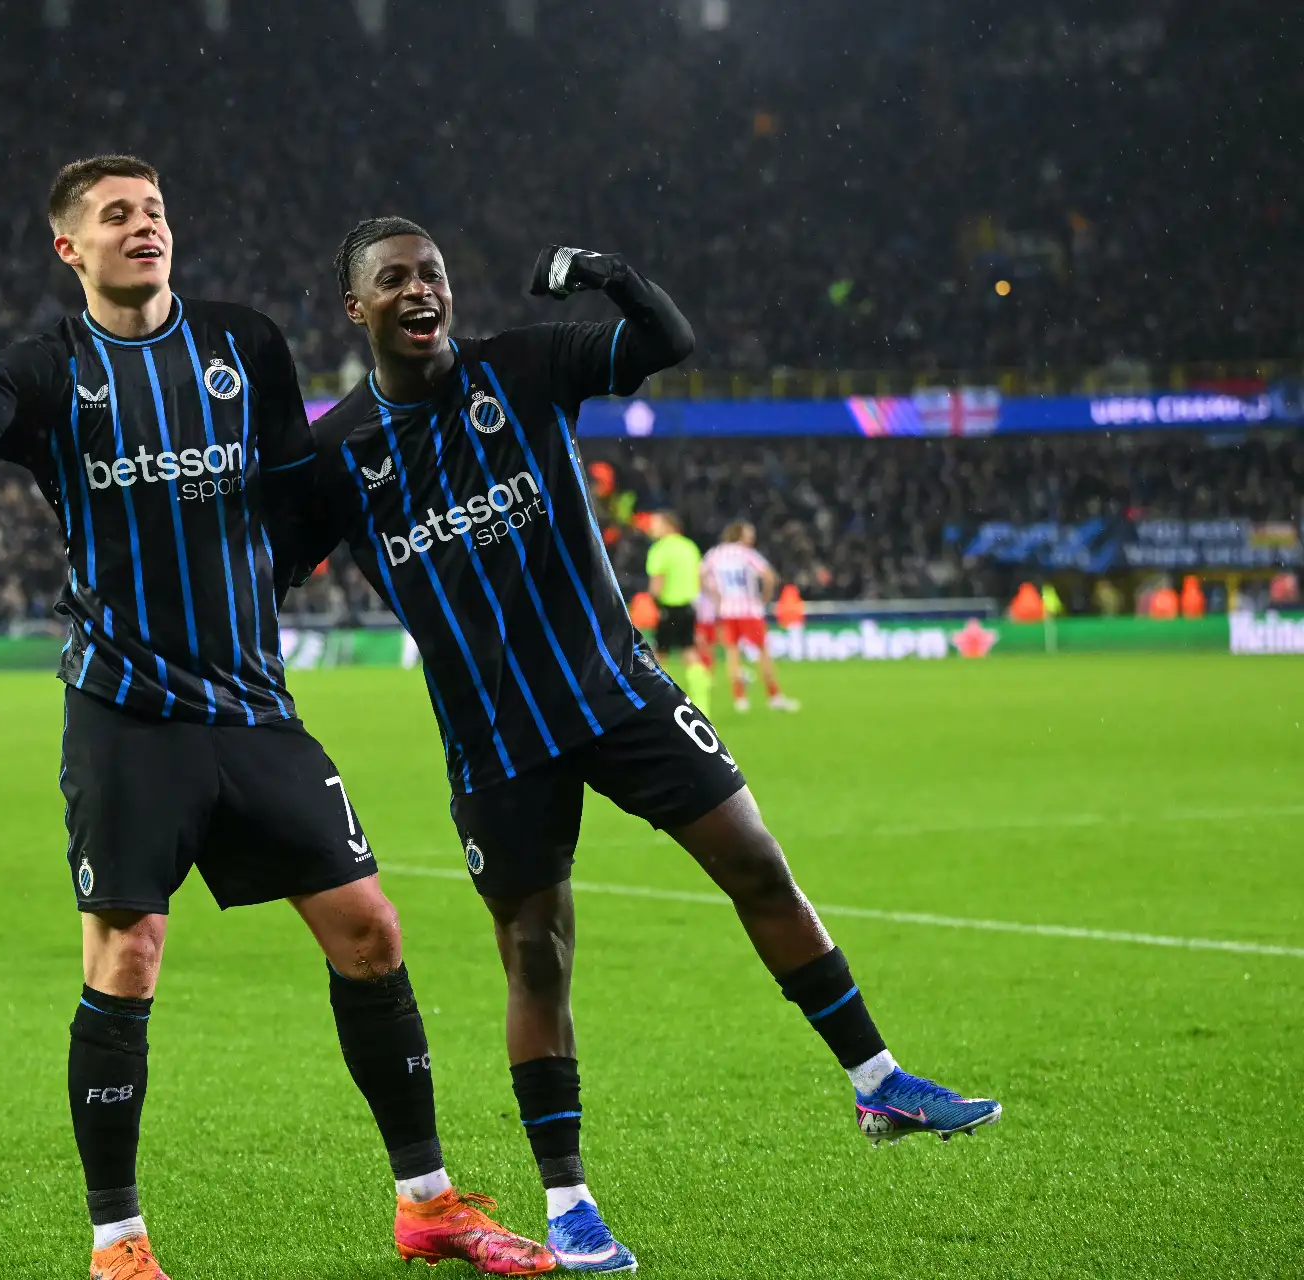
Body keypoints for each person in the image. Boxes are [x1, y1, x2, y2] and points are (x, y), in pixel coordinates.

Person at [0, 157, 551, 1280]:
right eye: (117, 216)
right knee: (128, 950)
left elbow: (294, 495)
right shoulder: (45, 370)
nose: (145, 228)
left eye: (157, 211)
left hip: (252, 704)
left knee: (371, 928)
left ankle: (426, 1202)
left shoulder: (245, 343)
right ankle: (116, 1240)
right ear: (67, 248)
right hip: (125, 710)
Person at [290, 218, 1002, 1274]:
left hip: (620, 689)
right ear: (356, 308)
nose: (419, 290)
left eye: (432, 273)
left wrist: (607, 274)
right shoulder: (337, 452)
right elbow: (255, 563)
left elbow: (664, 340)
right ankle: (571, 1202)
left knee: (759, 862)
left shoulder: (524, 363)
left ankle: (876, 1078)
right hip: (497, 735)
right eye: (393, 279)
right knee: (538, 953)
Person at [701, 522, 798, 713]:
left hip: (727, 611)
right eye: (749, 533)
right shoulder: (746, 554)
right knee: (762, 653)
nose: (752, 537)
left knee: (732, 653)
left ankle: (740, 699)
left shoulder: (715, 554)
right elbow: (769, 576)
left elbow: (701, 575)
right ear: (740, 534)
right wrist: (764, 599)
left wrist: (716, 598)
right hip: (749, 611)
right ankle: (774, 696)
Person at [643, 511, 712, 711]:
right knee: (689, 651)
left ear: (669, 525)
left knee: (657, 657)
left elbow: (657, 583)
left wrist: (653, 602)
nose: (652, 528)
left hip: (668, 608)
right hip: (688, 607)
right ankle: (702, 703)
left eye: (656, 524)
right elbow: (699, 577)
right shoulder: (689, 546)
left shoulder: (660, 549)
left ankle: (655, 703)